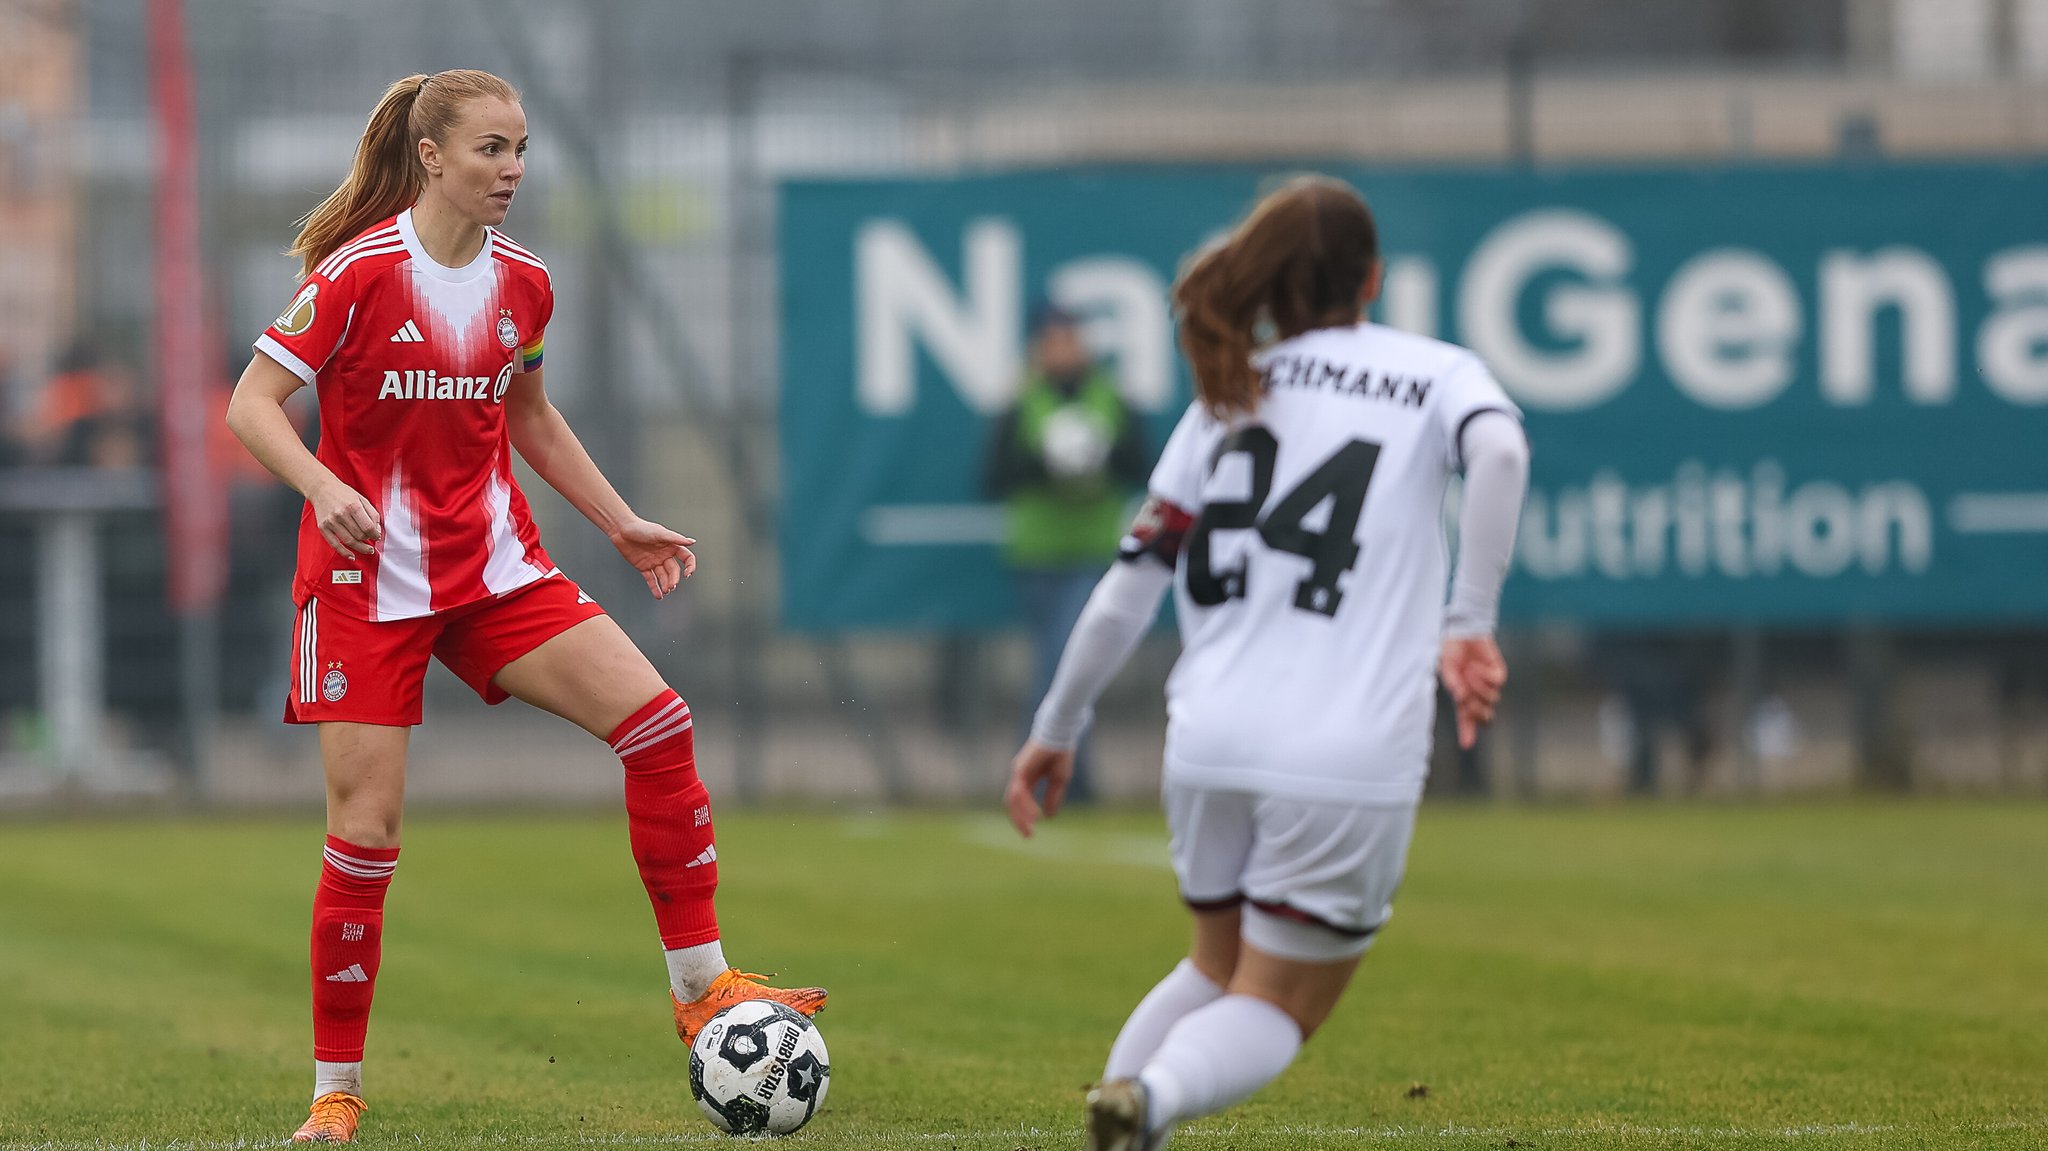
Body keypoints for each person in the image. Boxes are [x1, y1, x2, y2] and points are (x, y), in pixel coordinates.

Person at [224, 70, 825, 1144]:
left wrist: (619, 518)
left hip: (494, 569)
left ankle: (700, 986)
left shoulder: (524, 286)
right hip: (368, 585)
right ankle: (335, 1091)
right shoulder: (357, 275)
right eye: (492, 149)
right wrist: (323, 486)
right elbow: (252, 404)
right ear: (432, 157)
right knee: (366, 832)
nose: (511, 171)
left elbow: (531, 415)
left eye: (521, 150)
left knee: (659, 723)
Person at [1002, 175, 1530, 1151]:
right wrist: (1469, 620)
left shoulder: (1224, 397)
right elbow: (1496, 453)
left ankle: (1126, 1117)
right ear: (1370, 279)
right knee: (1279, 1001)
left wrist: (1055, 727)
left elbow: (1125, 586)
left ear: (1272, 286)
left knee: (1211, 967)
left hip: (1207, 736)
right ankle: (1148, 1101)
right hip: (1343, 747)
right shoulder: (1431, 371)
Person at [982, 302, 1151, 802]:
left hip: (1093, 552)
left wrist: (1097, 455)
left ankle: (1059, 778)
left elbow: (1139, 465)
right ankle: (1056, 777)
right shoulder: (1022, 402)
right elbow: (993, 476)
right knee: (1055, 665)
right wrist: (1046, 462)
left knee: (1069, 665)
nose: (1063, 349)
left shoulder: (1110, 399)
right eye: (1053, 340)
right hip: (1038, 555)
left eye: (1070, 338)